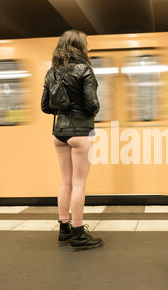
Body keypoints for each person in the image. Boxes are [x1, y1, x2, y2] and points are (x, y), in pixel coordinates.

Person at [41, 30, 102, 251]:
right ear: (79, 46)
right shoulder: (85, 69)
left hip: (59, 133)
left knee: (65, 181)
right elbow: (92, 103)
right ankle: (78, 233)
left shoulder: (51, 72)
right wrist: (88, 110)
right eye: (87, 44)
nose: (89, 48)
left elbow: (45, 106)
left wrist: (64, 108)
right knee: (78, 183)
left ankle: (63, 229)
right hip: (80, 133)